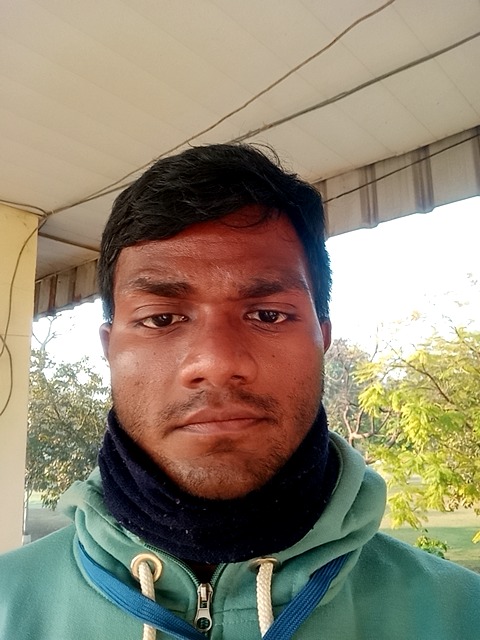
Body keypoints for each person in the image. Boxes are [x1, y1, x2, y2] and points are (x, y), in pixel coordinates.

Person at [1, 143, 479, 640]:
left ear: (322, 338)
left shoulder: (463, 614)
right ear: (109, 347)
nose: (217, 363)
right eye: (161, 319)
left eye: (268, 315)